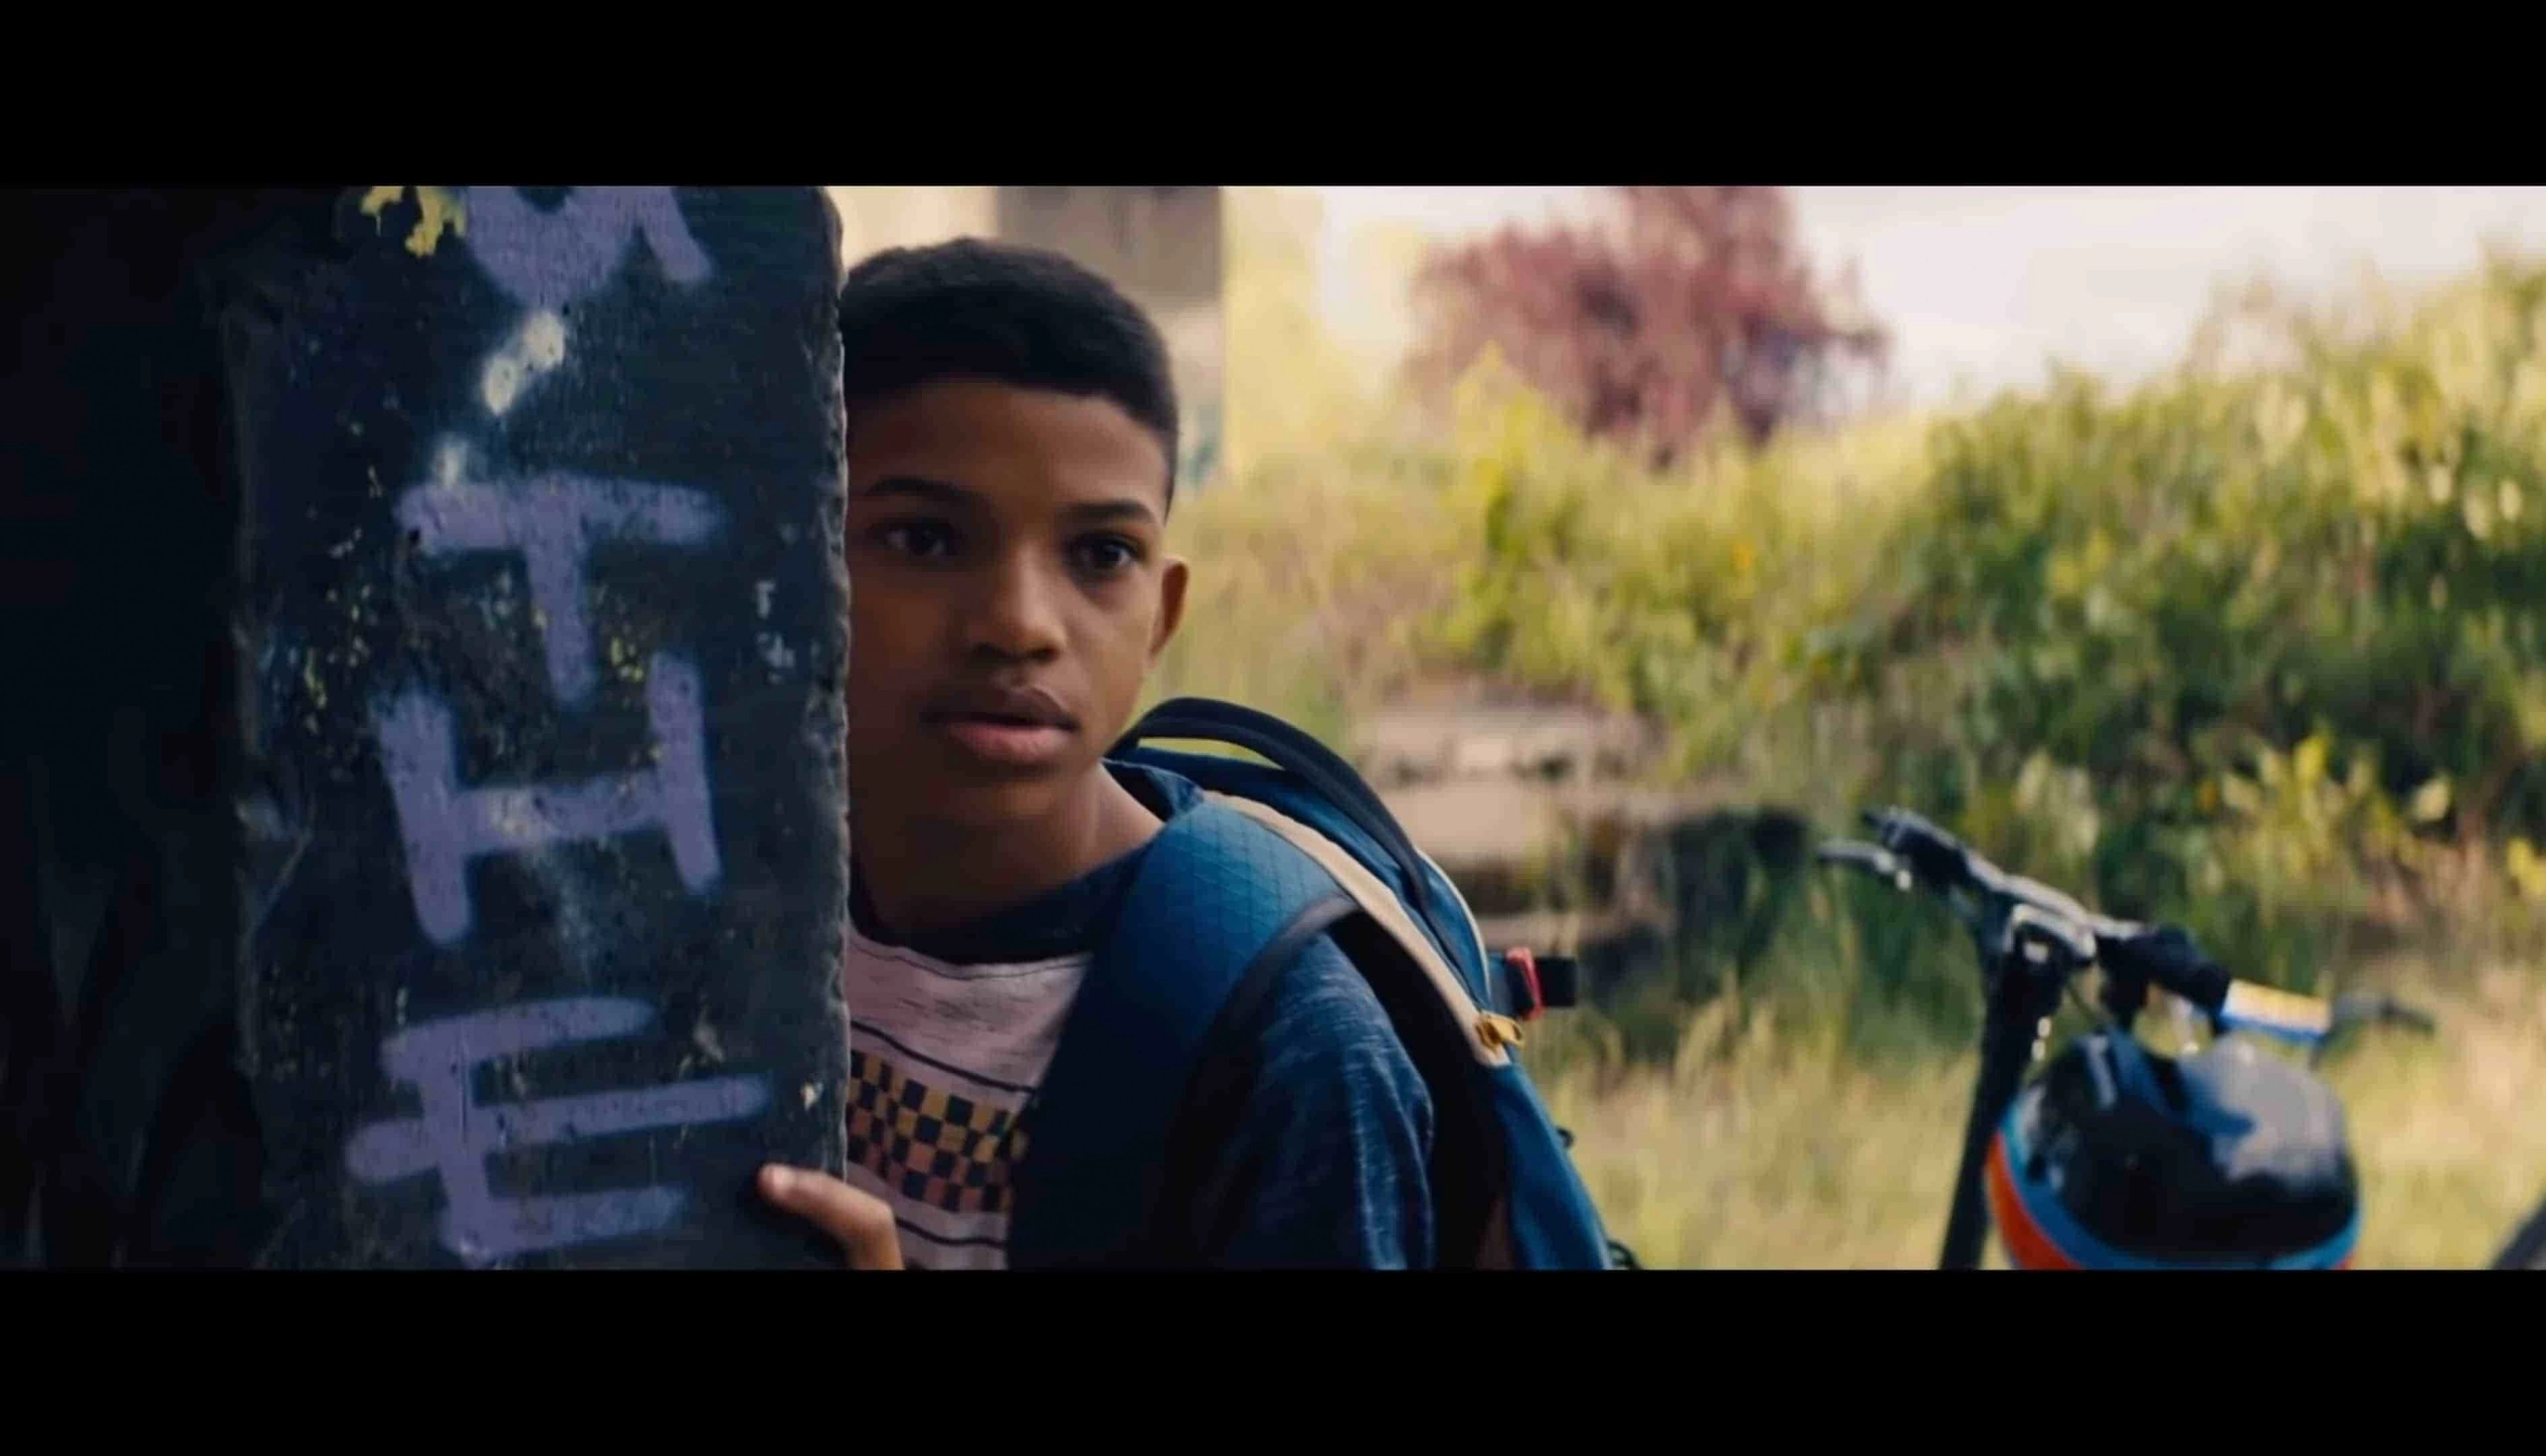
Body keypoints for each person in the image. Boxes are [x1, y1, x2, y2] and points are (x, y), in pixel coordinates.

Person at [760, 239, 1434, 1269]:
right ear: (793, 560)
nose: (1021, 624)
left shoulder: (1285, 1048)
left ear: (1160, 616)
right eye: (927, 539)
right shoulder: (742, 901)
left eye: (1101, 554)